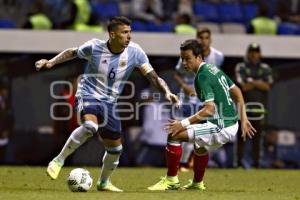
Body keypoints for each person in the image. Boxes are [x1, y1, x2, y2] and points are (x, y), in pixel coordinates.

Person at [35, 16, 180, 192]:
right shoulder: (95, 46)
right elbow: (72, 52)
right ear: (112, 34)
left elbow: (153, 77)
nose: (129, 36)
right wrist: (51, 62)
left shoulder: (135, 52)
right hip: (88, 94)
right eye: (124, 32)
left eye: (130, 32)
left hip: (110, 102)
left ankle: (103, 182)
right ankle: (59, 160)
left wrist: (166, 92)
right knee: (90, 126)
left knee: (116, 149)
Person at [148, 39, 256, 191]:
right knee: (199, 147)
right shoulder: (213, 69)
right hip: (229, 123)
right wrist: (243, 119)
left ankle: (171, 181)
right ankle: (197, 184)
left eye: (188, 59)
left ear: (199, 57)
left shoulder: (202, 77)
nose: (184, 63)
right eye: (182, 59)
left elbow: (209, 110)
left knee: (174, 134)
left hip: (221, 126)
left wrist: (183, 123)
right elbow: (237, 91)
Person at [174, 27, 224, 170]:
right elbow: (177, 74)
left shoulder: (218, 56)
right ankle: (182, 163)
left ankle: (187, 163)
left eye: (206, 37)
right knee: (182, 129)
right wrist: (184, 86)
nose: (203, 40)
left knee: (200, 131)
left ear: (210, 39)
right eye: (200, 37)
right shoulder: (187, 55)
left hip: (205, 99)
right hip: (188, 99)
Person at [235, 43, 273, 168]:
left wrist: (252, 81)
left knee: (258, 138)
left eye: (256, 51)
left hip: (260, 109)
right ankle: (238, 163)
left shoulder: (265, 67)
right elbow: (244, 87)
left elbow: (267, 86)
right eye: (251, 51)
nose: (254, 54)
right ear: (248, 53)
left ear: (260, 53)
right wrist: (259, 82)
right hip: (244, 109)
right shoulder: (241, 66)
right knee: (241, 137)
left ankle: (257, 164)